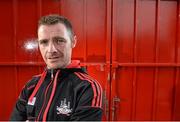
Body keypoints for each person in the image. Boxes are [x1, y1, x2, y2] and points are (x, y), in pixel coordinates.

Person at [10, 14, 103, 121]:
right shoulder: (31, 86)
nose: (51, 50)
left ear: (73, 42)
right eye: (44, 42)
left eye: (59, 40)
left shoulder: (87, 87)